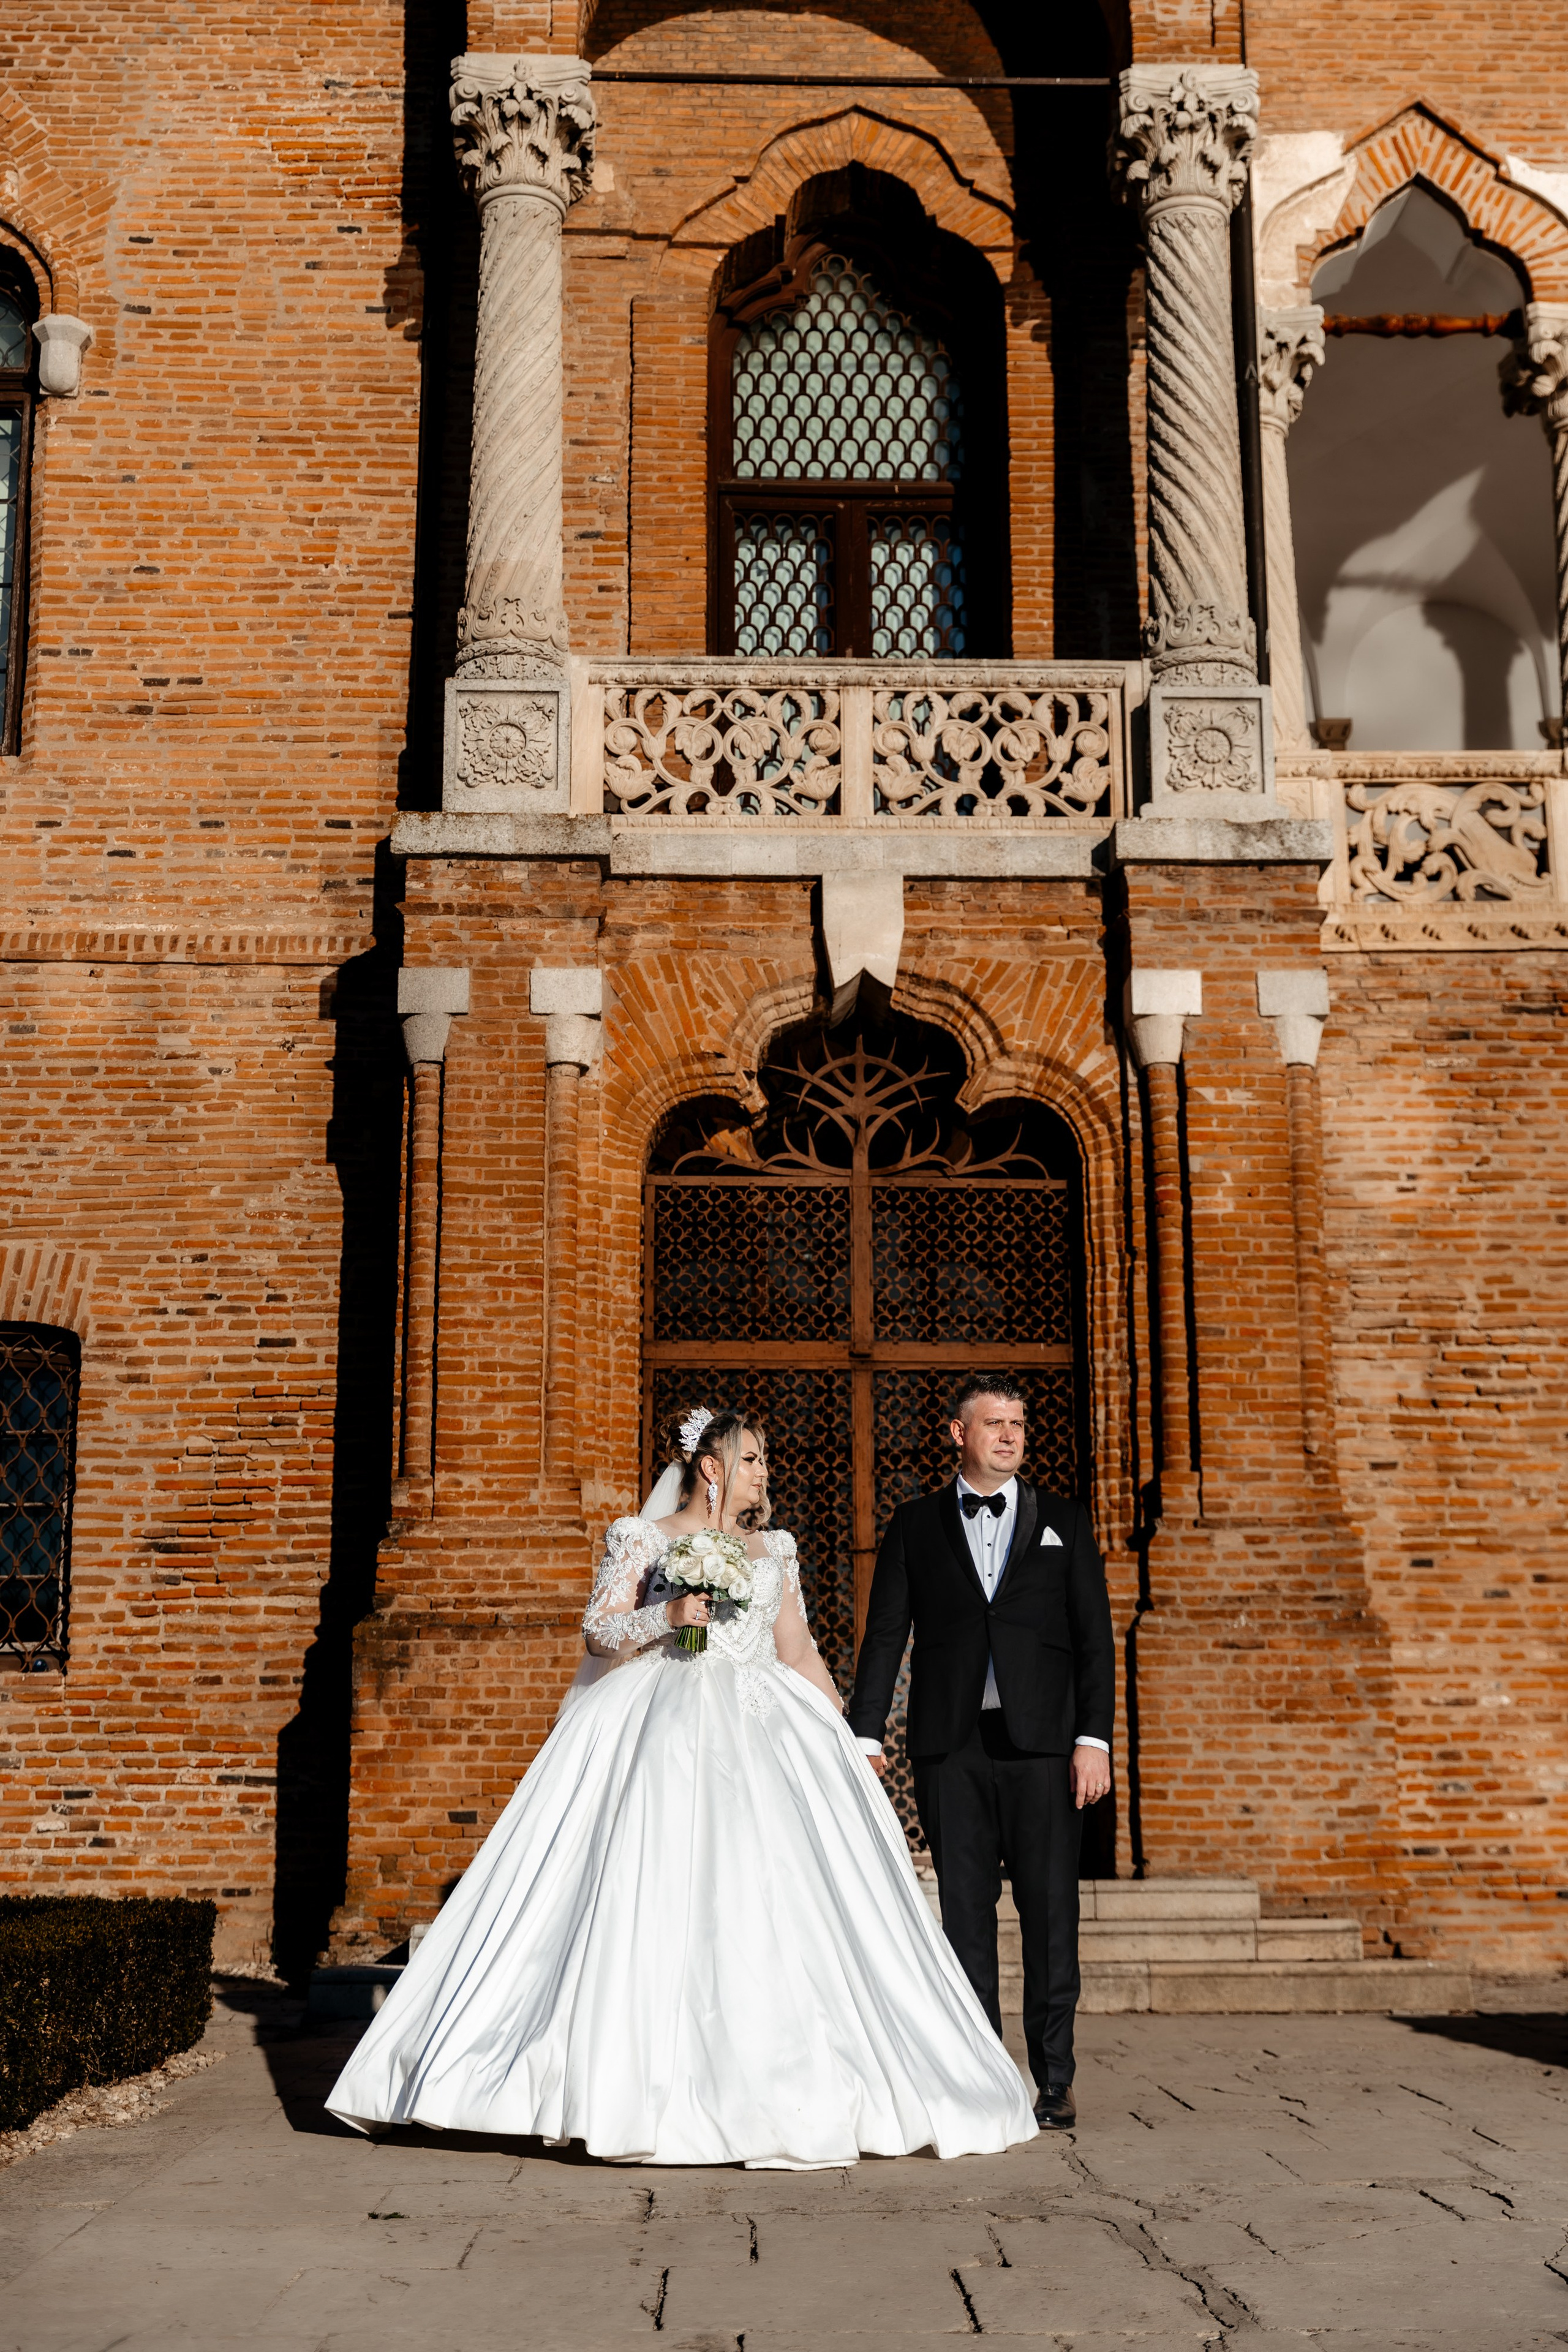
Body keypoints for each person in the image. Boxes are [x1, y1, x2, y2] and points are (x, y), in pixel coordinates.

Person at [325, 1406, 1036, 2169]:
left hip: (768, 1724)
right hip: (667, 1716)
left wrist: (847, 1735)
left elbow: (797, 1653)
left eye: (765, 1459)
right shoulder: (644, 1538)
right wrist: (669, 1612)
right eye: (753, 1457)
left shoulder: (774, 1549)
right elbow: (600, 1630)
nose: (765, 1470)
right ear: (711, 1466)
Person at [848, 1378, 1114, 2131]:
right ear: (956, 1434)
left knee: (1050, 1916)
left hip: (1045, 1751)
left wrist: (1092, 1739)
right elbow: (885, 1637)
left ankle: (1053, 2080)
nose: (1009, 1435)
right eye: (993, 1423)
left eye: (1018, 1424)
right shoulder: (914, 1526)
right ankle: (981, 2078)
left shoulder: (1064, 1520)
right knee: (965, 1917)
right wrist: (866, 1735)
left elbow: (1093, 1640)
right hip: (949, 1747)